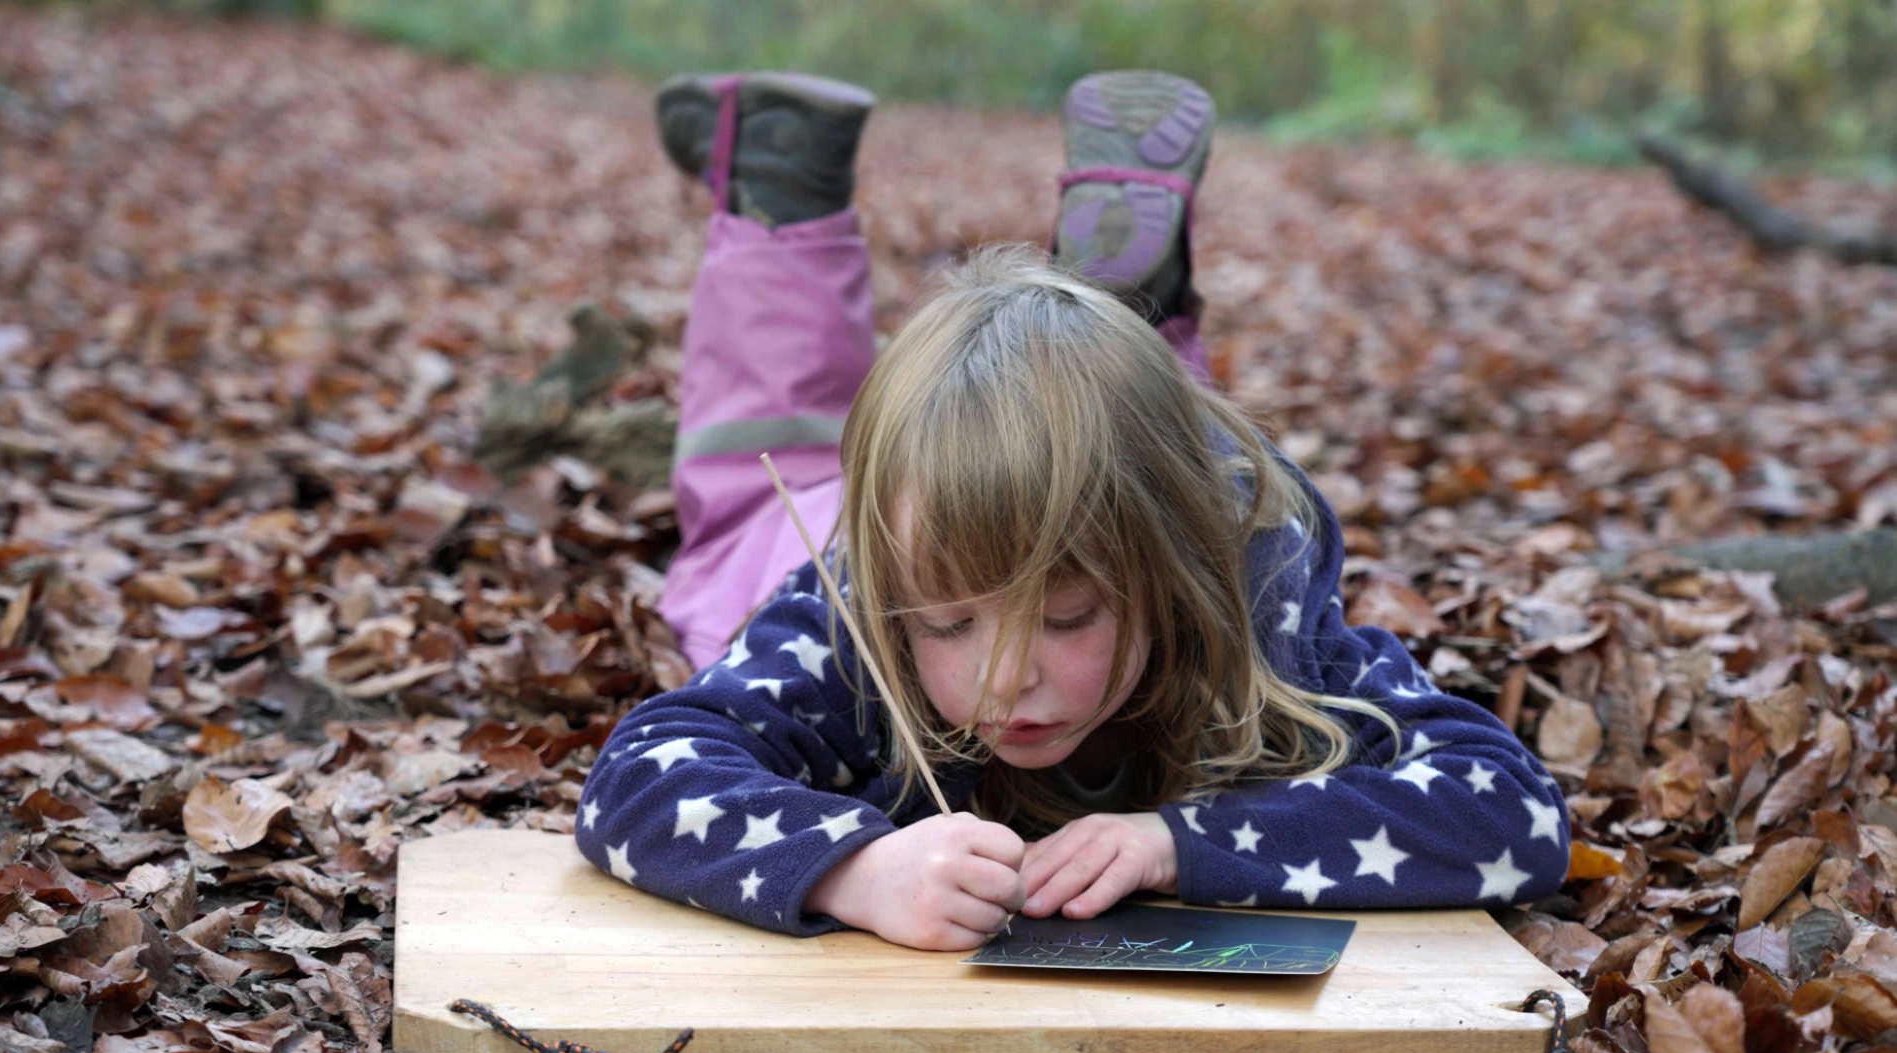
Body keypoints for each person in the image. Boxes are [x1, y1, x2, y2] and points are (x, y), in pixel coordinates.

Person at [574, 70, 1569, 952]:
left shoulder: (1251, 616)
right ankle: (1090, 289)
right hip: (873, 513)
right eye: (954, 623)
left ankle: (782, 215)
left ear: (1168, 583)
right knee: (769, 482)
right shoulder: (864, 608)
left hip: (1138, 511)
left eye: (1066, 618)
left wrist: (1181, 845)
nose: (1006, 675)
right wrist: (853, 868)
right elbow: (640, 772)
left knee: (1123, 461)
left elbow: (1512, 807)